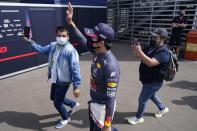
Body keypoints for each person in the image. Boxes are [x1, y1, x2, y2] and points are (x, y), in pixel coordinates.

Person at [66, 3, 120, 131]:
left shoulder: (111, 66)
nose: (89, 38)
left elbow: (110, 99)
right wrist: (71, 22)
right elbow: (82, 40)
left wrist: (107, 125)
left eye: (92, 36)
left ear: (101, 42)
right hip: (94, 105)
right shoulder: (98, 50)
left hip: (102, 108)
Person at [24, 26, 81, 129]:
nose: (61, 38)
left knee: (57, 103)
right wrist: (30, 41)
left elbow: (75, 69)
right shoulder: (53, 45)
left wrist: (76, 86)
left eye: (63, 36)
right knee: (53, 97)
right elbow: (41, 49)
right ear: (56, 36)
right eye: (59, 35)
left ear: (68, 37)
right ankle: (73, 104)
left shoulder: (70, 50)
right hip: (54, 78)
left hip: (64, 81)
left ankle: (65, 118)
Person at [128, 28, 170, 125]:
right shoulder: (151, 45)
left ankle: (139, 118)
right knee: (151, 95)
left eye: (156, 36)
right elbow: (139, 56)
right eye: (154, 35)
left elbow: (151, 63)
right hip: (147, 79)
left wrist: (139, 51)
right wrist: (136, 50)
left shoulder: (164, 52)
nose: (154, 37)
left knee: (142, 99)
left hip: (154, 81)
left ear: (163, 38)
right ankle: (162, 108)